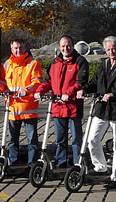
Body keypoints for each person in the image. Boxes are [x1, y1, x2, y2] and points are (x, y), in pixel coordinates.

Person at [77, 36, 116, 188]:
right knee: (92, 139)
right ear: (105, 49)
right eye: (108, 49)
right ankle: (100, 167)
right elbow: (95, 82)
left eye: (114, 49)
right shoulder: (103, 64)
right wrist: (84, 89)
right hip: (102, 109)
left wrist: (115, 94)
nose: (111, 52)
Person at [35, 35, 89, 168]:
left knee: (76, 140)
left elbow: (80, 82)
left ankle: (78, 164)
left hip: (73, 107)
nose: (66, 48)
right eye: (63, 46)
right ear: (59, 47)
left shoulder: (80, 62)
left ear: (73, 45)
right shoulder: (55, 63)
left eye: (68, 45)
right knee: (60, 139)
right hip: (57, 107)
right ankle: (61, 163)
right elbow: (48, 81)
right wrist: (39, 91)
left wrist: (68, 94)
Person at [0, 39, 43, 166]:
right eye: (15, 48)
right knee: (12, 140)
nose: (18, 50)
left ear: (25, 48)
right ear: (11, 49)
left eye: (20, 48)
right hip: (12, 108)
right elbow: (3, 81)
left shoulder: (33, 63)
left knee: (32, 140)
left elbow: (37, 81)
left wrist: (27, 90)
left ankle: (33, 164)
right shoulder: (6, 65)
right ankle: (13, 164)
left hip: (28, 108)